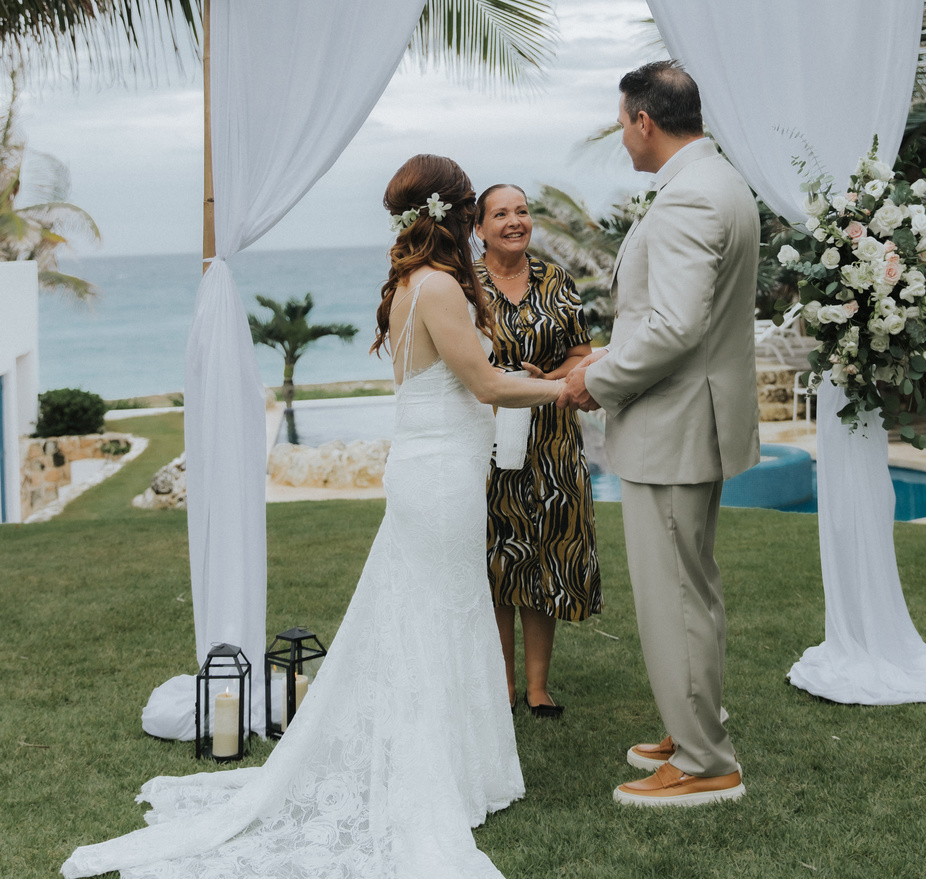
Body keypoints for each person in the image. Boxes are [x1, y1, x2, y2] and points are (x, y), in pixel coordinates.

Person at [63, 154, 565, 879]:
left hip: (435, 471)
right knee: (437, 615)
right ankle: (440, 776)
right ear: (456, 215)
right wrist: (563, 388)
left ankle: (462, 767)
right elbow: (483, 380)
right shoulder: (440, 289)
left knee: (438, 611)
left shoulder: (407, 285)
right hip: (439, 477)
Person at [559, 62, 759, 809]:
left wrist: (596, 380)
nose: (621, 134)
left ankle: (707, 762)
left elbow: (675, 326)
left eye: (622, 121)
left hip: (673, 425)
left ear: (645, 119)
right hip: (695, 417)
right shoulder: (723, 183)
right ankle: (692, 723)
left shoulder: (687, 200)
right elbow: (683, 322)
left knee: (672, 594)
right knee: (693, 588)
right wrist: (615, 352)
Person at [474, 183, 603, 718]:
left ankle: (537, 686)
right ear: (478, 227)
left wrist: (543, 379)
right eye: (500, 213)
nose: (514, 221)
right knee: (499, 558)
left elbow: (583, 355)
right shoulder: (465, 285)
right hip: (488, 437)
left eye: (522, 211)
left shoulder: (556, 280)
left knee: (546, 556)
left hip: (552, 437)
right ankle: (500, 683)